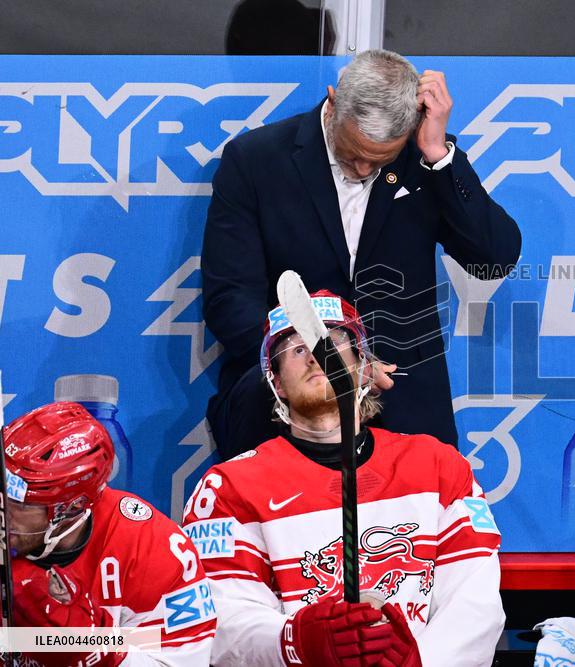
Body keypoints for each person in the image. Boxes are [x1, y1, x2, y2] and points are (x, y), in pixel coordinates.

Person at [202, 48, 521, 459]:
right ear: (333, 102)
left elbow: (494, 258)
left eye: (380, 159)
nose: (364, 169)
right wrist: (333, 363)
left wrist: (440, 157)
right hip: (286, 411)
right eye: (352, 154)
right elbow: (230, 298)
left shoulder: (423, 162)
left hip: (406, 411)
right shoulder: (255, 160)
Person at [182, 290, 505, 666]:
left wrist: (419, 662)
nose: (319, 355)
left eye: (335, 342)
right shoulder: (227, 489)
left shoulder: (438, 466)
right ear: (277, 383)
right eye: (298, 348)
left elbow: (475, 603)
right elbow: (224, 623)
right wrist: (299, 641)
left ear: (364, 367)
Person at [3, 401, 216, 666]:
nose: (2, 510)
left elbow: (179, 660)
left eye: (20, 505)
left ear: (72, 507)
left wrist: (92, 647)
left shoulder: (153, 549)